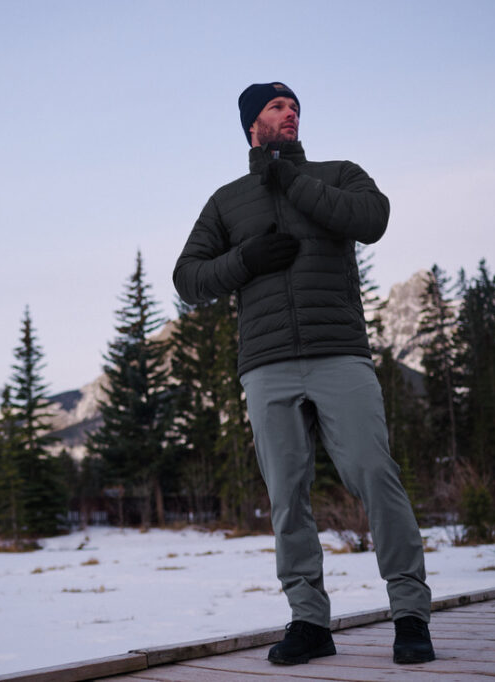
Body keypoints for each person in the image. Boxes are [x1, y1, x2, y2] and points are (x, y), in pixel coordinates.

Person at [172, 82, 435, 666]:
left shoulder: (337, 174)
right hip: (265, 366)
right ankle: (309, 621)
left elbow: (373, 218)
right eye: (276, 107)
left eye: (295, 108)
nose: (290, 114)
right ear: (251, 124)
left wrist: (290, 179)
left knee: (374, 472)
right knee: (287, 495)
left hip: (339, 350)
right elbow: (186, 279)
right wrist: (244, 261)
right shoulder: (226, 201)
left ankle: (411, 613)